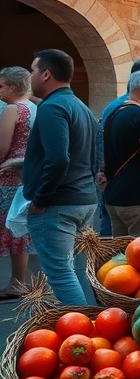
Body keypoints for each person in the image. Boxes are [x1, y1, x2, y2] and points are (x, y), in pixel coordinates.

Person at [22, 49, 98, 305]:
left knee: (61, 275)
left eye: (32, 70)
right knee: (67, 270)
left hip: (58, 204)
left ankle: (82, 334)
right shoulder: (81, 107)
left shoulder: (52, 107)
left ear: (45, 74)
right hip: (82, 199)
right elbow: (89, 156)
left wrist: (41, 199)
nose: (30, 76)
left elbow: (59, 158)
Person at [96, 57, 140, 236]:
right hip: (139, 198)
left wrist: (103, 171)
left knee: (120, 257)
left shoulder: (114, 111)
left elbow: (103, 144)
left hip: (115, 196)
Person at [0, 67, 36, 298]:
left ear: (13, 87)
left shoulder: (13, 109)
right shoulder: (35, 108)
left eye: (2, 85)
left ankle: (16, 283)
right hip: (27, 177)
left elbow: (2, 147)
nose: (0, 90)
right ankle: (20, 280)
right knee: (20, 230)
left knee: (11, 228)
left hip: (8, 178)